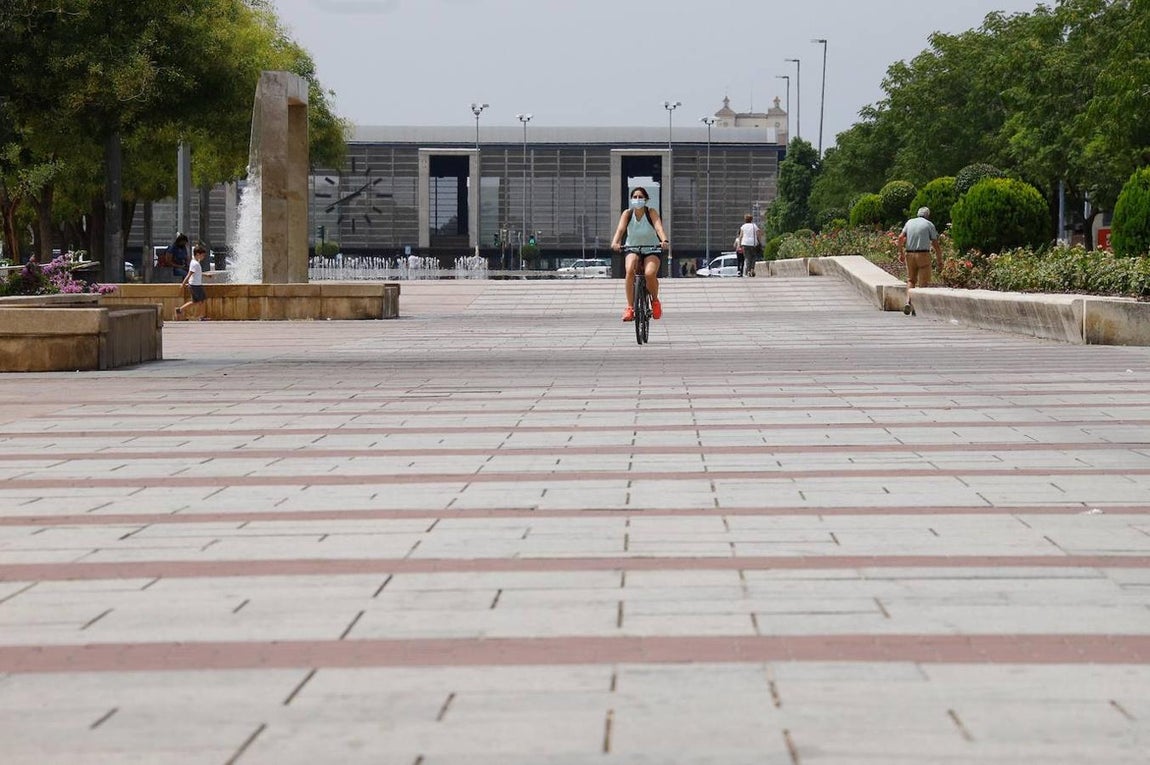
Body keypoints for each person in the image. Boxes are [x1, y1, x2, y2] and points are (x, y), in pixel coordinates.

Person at [611, 187, 669, 322]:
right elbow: (620, 230)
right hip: (632, 248)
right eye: (635, 197)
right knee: (630, 269)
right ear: (631, 199)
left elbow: (658, 227)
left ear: (646, 199)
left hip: (651, 249)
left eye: (640, 197)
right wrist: (615, 242)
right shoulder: (627, 214)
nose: (637, 200)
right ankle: (630, 308)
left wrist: (664, 240)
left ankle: (655, 301)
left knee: (649, 273)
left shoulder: (651, 212)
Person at [896, 206, 942, 314]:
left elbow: (900, 238)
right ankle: (920, 307)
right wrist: (940, 260)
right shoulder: (929, 224)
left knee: (911, 280)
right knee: (923, 282)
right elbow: (935, 244)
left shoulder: (909, 222)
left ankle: (908, 302)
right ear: (927, 215)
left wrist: (900, 253)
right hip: (923, 254)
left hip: (909, 254)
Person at [174, 244, 208, 321]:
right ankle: (201, 317)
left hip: (194, 284)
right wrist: (183, 284)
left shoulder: (194, 262)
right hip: (195, 285)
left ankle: (179, 310)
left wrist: (205, 275)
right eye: (202, 255)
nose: (203, 257)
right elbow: (189, 274)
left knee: (194, 301)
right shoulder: (195, 264)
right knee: (202, 300)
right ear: (198, 254)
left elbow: (196, 273)